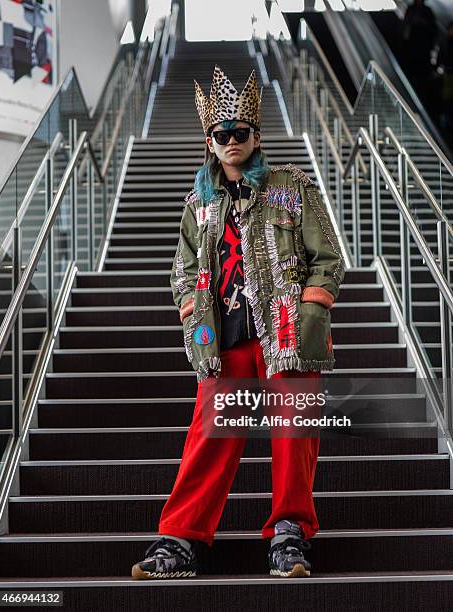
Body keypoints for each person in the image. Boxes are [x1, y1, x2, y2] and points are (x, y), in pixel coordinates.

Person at [131, 65, 345, 580]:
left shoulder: (290, 186)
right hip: (223, 340)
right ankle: (181, 540)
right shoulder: (198, 203)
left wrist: (312, 311)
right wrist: (190, 312)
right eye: (220, 134)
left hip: (286, 332)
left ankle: (289, 537)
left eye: (240, 132)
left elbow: (328, 258)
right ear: (210, 140)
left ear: (256, 135)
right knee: (208, 439)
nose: (230, 141)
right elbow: (182, 270)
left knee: (294, 436)